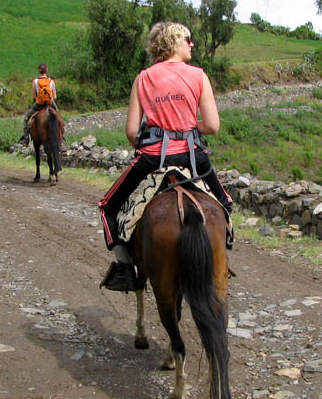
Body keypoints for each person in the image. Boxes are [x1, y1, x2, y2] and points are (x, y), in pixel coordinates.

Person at [98, 21, 233, 292]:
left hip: (151, 160)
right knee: (225, 204)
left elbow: (132, 132)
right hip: (194, 158)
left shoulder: (143, 78)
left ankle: (125, 268)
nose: (191, 44)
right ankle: (220, 258)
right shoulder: (199, 76)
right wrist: (189, 127)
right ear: (173, 42)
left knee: (107, 207)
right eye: (187, 39)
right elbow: (213, 126)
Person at [20, 63, 57, 145]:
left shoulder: (35, 81)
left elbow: (34, 96)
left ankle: (26, 139)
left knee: (26, 118)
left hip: (38, 104)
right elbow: (54, 96)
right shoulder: (51, 81)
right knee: (59, 117)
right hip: (49, 103)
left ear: (39, 71)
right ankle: (61, 136)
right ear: (47, 70)